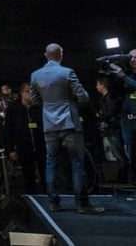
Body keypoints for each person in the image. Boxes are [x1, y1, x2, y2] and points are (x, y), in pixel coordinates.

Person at [29, 43, 103, 213]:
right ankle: (81, 203)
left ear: (46, 55)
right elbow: (83, 97)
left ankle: (54, 203)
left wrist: (48, 104)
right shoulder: (67, 72)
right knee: (77, 163)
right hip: (69, 123)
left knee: (51, 163)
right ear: (60, 55)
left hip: (49, 125)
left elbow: (33, 100)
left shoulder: (35, 75)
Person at [108, 48, 136, 184]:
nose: (133, 60)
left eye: (135, 57)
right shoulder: (126, 74)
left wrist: (123, 76)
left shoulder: (126, 76)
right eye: (130, 57)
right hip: (128, 121)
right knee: (132, 153)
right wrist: (112, 76)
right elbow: (114, 95)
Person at [94, 77, 127, 182]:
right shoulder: (105, 98)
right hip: (111, 126)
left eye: (98, 84)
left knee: (118, 151)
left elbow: (111, 111)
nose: (96, 87)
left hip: (113, 127)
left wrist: (104, 121)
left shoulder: (110, 98)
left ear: (103, 85)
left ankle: (123, 176)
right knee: (116, 151)